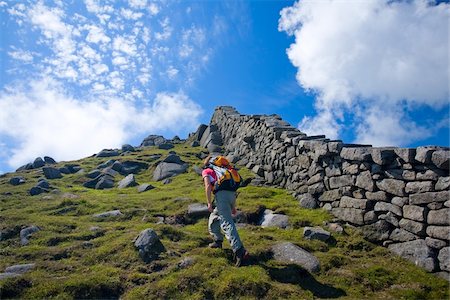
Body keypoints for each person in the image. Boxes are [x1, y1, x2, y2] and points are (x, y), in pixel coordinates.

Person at [202, 155, 249, 267]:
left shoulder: (207, 171)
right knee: (214, 217)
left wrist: (209, 202)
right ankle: (218, 241)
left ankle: (239, 250)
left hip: (221, 196)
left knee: (226, 222)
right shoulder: (225, 171)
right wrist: (232, 207)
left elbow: (208, 186)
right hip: (231, 195)